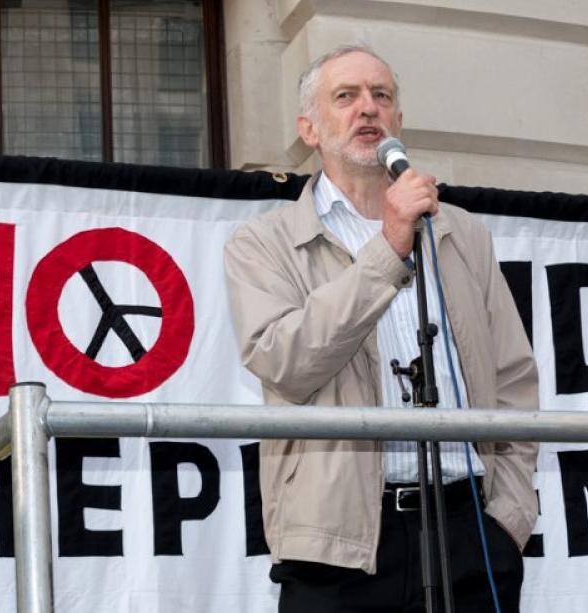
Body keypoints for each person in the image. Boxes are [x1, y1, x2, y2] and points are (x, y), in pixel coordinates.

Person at [223, 44, 538, 613]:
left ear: (398, 121)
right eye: (345, 96)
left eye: (381, 96)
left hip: (470, 535)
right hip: (337, 552)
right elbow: (285, 364)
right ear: (309, 129)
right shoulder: (263, 243)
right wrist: (388, 247)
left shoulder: (463, 235)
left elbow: (513, 380)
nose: (367, 109)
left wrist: (507, 518)